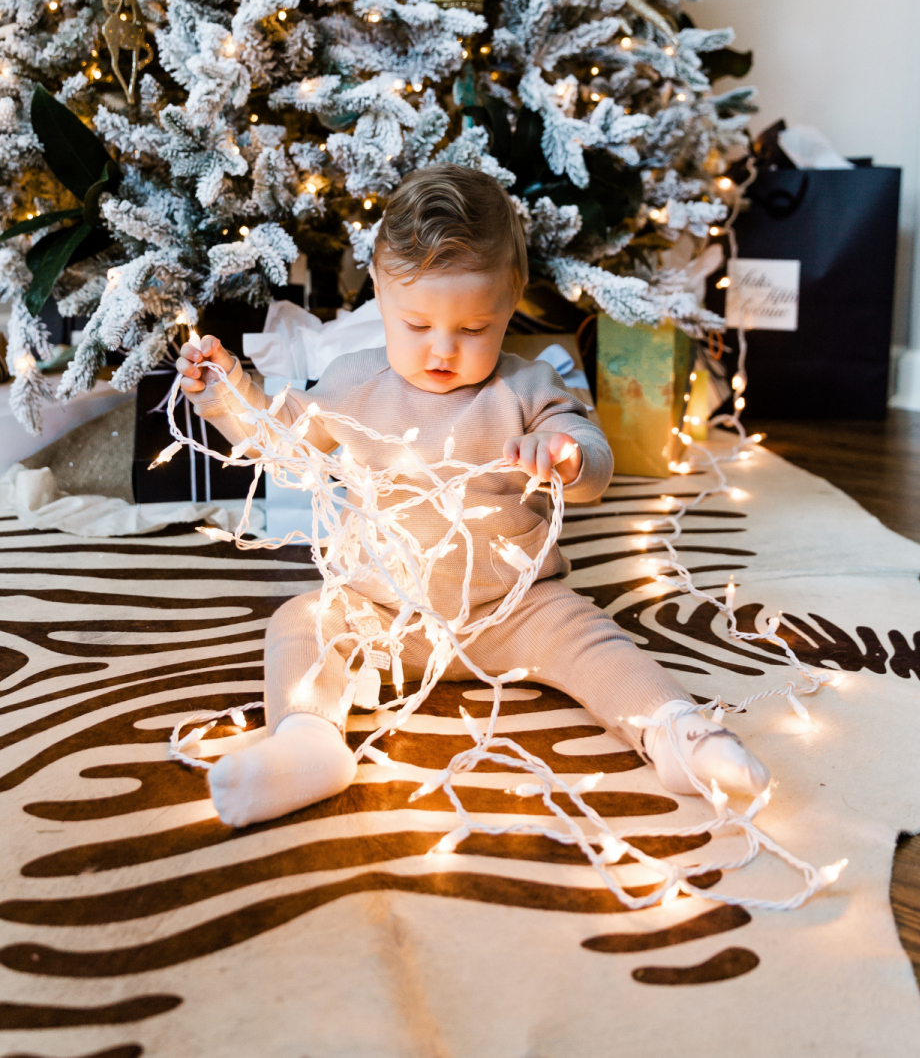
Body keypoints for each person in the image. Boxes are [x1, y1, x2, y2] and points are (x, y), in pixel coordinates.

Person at [177, 165, 770, 827]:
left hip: (513, 610)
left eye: (471, 329)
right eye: (418, 324)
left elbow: (592, 458)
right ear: (379, 292)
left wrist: (565, 456)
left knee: (596, 641)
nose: (441, 349)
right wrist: (227, 395)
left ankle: (676, 733)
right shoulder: (352, 383)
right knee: (303, 622)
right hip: (382, 609)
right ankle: (308, 743)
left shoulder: (524, 387)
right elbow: (279, 442)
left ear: (510, 304)